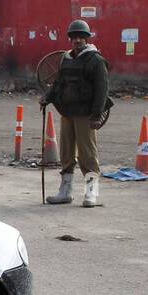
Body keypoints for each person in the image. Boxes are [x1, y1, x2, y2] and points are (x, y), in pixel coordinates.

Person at [40, 19, 108, 207]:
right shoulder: (66, 59)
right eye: (74, 37)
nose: (77, 40)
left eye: (81, 37)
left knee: (88, 154)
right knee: (66, 153)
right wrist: (48, 97)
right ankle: (65, 191)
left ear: (87, 39)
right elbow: (58, 83)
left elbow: (102, 90)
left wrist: (96, 115)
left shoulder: (95, 60)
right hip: (67, 112)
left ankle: (91, 193)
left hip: (85, 114)